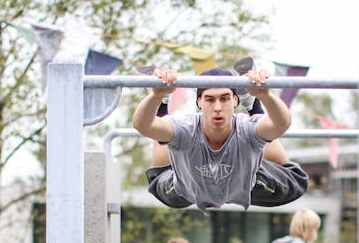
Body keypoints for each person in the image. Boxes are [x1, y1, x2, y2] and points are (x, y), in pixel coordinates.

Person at [132, 66, 308, 212]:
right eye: (210, 99)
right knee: (159, 179)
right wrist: (155, 96)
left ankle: (254, 104)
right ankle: (162, 103)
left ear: (235, 101)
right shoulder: (187, 128)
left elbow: (281, 124)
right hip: (186, 188)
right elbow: (143, 125)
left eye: (224, 99)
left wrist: (265, 95)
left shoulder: (245, 128)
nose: (217, 107)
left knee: (296, 181)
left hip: (244, 183)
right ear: (199, 102)